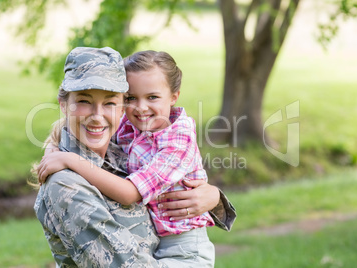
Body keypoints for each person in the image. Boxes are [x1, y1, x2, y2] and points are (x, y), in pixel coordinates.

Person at [32, 46, 236, 267]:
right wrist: (64, 157)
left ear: (120, 108)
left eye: (110, 102)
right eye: (84, 101)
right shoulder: (67, 184)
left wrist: (214, 198)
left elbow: (165, 187)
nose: (98, 116)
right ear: (63, 104)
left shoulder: (119, 148)